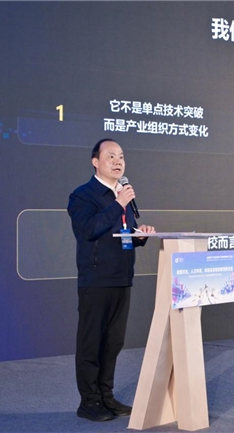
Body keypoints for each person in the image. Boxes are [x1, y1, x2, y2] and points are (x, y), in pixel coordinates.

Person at [67, 138, 155, 422]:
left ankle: (106, 396)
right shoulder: (83, 195)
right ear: (95, 162)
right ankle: (89, 401)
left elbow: (122, 234)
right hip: (96, 279)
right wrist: (118, 203)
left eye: (121, 157)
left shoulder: (123, 195)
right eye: (111, 156)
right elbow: (88, 230)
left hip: (122, 277)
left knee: (113, 343)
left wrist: (139, 236)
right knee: (91, 343)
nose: (118, 161)